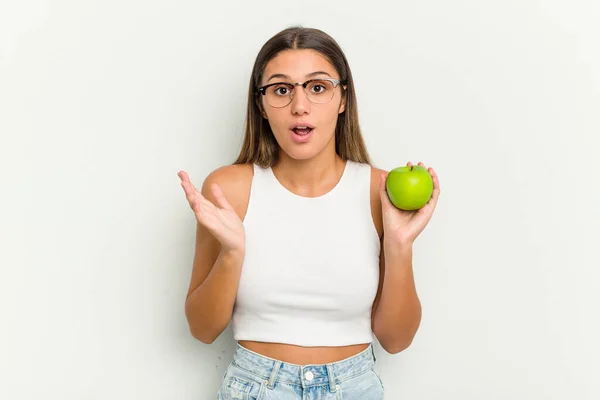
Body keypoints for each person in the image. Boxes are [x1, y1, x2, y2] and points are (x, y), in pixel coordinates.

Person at [177, 26, 440, 400]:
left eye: (317, 87)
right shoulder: (229, 188)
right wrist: (234, 253)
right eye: (282, 89)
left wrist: (399, 245)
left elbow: (396, 341)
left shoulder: (378, 191)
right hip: (256, 387)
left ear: (342, 99)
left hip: (355, 387)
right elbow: (202, 329)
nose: (300, 105)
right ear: (261, 105)